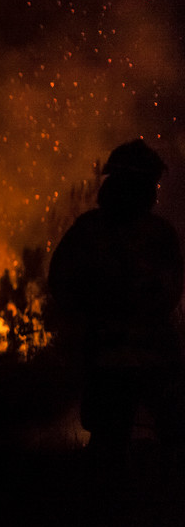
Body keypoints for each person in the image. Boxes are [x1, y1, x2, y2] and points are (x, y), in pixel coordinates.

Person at [48, 139, 185, 469]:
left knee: (162, 438)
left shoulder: (143, 232)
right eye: (150, 183)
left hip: (135, 354)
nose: (153, 191)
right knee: (119, 445)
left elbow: (170, 289)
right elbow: (63, 284)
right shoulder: (100, 231)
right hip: (121, 354)